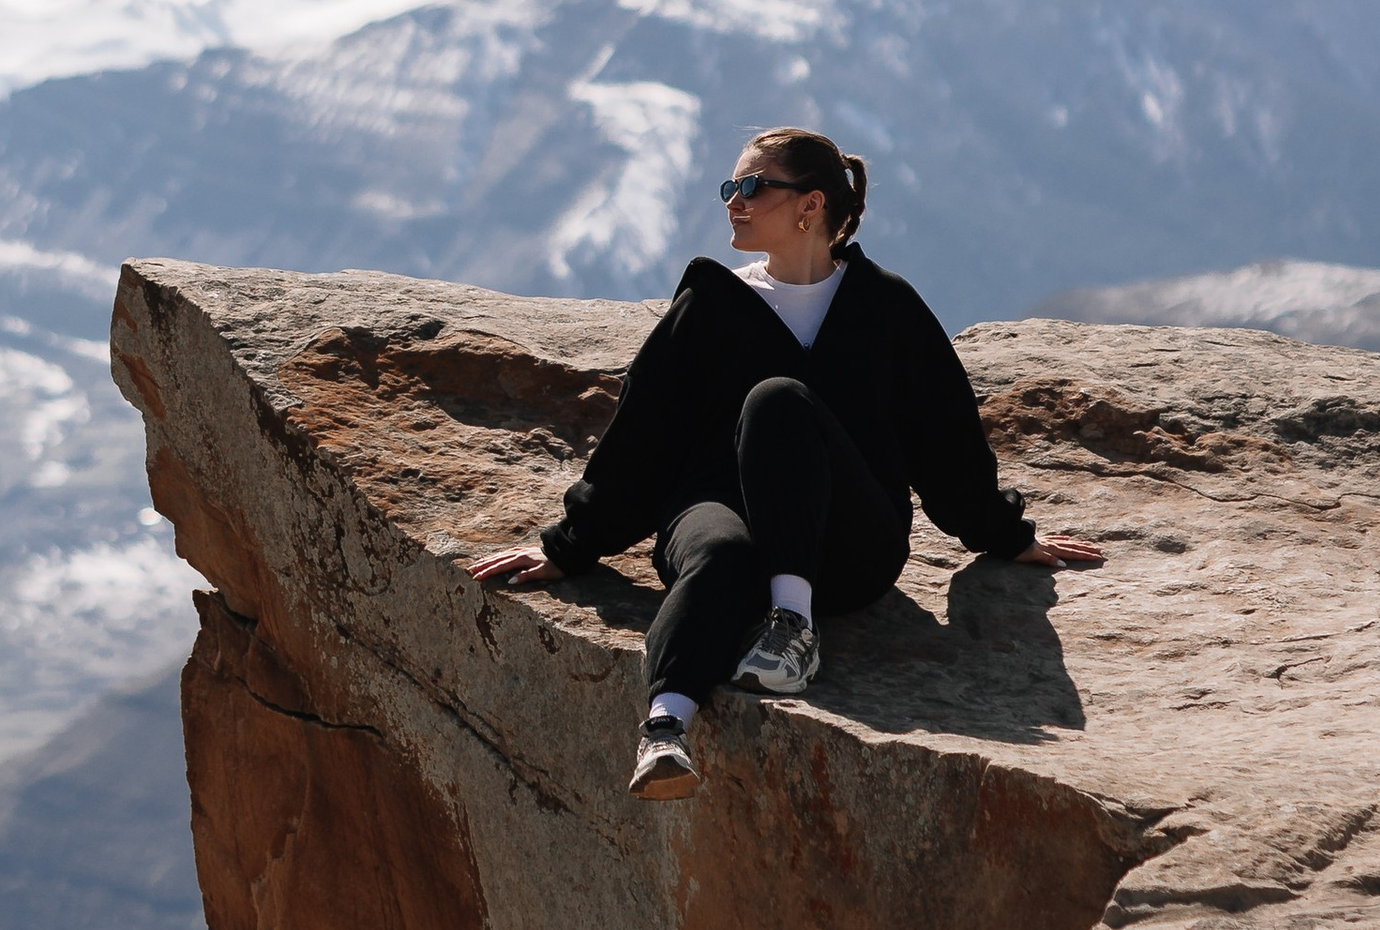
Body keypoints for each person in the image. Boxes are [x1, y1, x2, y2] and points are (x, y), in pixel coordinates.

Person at [469, 128, 1103, 799]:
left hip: (849, 547)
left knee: (777, 401)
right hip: (718, 505)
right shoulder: (713, 305)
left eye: (751, 186)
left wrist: (1009, 536)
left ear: (811, 205)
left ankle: (792, 624)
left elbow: (945, 441)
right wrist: (569, 545)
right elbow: (641, 440)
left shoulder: (885, 308)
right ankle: (664, 728)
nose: (733, 202)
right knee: (719, 555)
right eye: (730, 188)